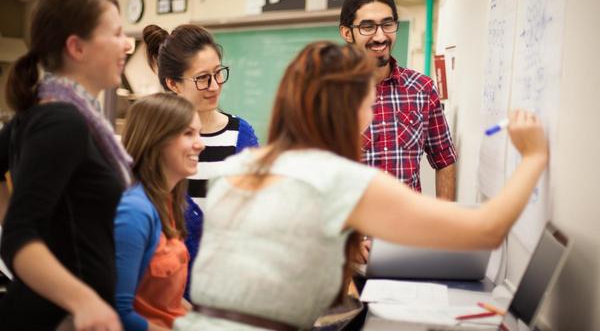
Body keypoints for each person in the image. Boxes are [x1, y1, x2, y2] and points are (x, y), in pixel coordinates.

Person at [173, 41, 548, 331]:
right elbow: (487, 230)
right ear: (347, 110)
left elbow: (265, 261)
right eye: (368, 107)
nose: (369, 121)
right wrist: (533, 157)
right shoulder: (337, 178)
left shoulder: (238, 167)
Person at [0, 0, 132, 330]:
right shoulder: (62, 121)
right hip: (58, 318)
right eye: (116, 33)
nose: (127, 44)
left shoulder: (42, 115)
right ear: (77, 47)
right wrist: (84, 301)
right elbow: (18, 233)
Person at [143, 24, 259, 297]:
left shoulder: (241, 135)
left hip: (232, 290)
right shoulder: (159, 143)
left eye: (218, 74)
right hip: (170, 294)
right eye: (203, 78)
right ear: (173, 83)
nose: (215, 85)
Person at [339, 0, 457, 201]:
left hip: (407, 232)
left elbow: (445, 161)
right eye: (368, 27)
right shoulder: (329, 93)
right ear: (347, 32)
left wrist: (443, 229)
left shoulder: (422, 89)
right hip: (351, 233)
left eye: (388, 24)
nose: (381, 36)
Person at [114, 93, 205, 331]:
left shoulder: (169, 201)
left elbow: (167, 305)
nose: (201, 143)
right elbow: (118, 314)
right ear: (157, 139)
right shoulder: (134, 211)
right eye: (188, 133)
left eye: (199, 132)